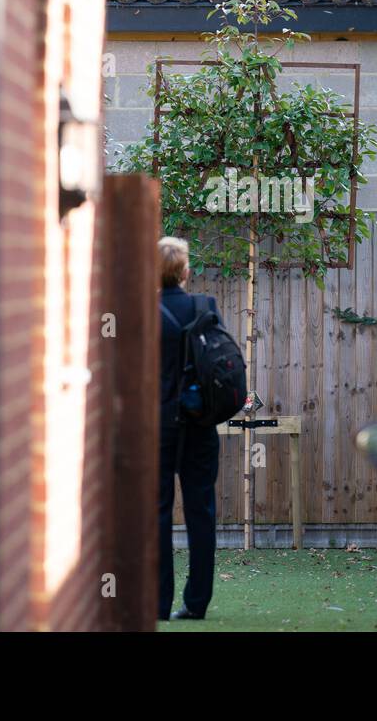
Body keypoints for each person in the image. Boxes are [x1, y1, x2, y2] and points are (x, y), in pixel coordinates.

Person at [157, 236, 221, 621]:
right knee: (201, 512)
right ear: (185, 271)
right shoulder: (205, 307)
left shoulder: (142, 312)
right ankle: (196, 604)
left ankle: (158, 603)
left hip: (157, 426)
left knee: (157, 513)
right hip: (199, 423)